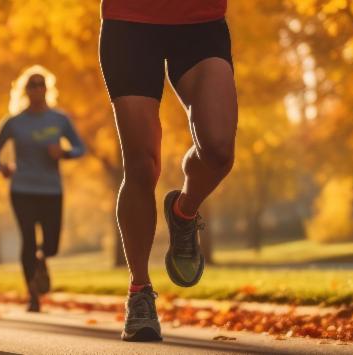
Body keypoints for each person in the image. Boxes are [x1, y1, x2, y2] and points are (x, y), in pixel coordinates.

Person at [99, 0, 238, 342]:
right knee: (142, 164)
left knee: (219, 150)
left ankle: (184, 211)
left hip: (201, 21)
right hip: (130, 22)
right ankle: (140, 292)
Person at [0, 68, 86, 313]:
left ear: (47, 88)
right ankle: (32, 294)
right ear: (25, 91)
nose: (37, 89)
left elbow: (80, 147)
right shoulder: (13, 122)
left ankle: (43, 261)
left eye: (40, 84)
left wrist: (64, 153)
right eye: (32, 85)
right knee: (28, 240)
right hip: (22, 189)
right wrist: (3, 168)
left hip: (51, 190)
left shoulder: (59, 119)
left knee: (51, 245)